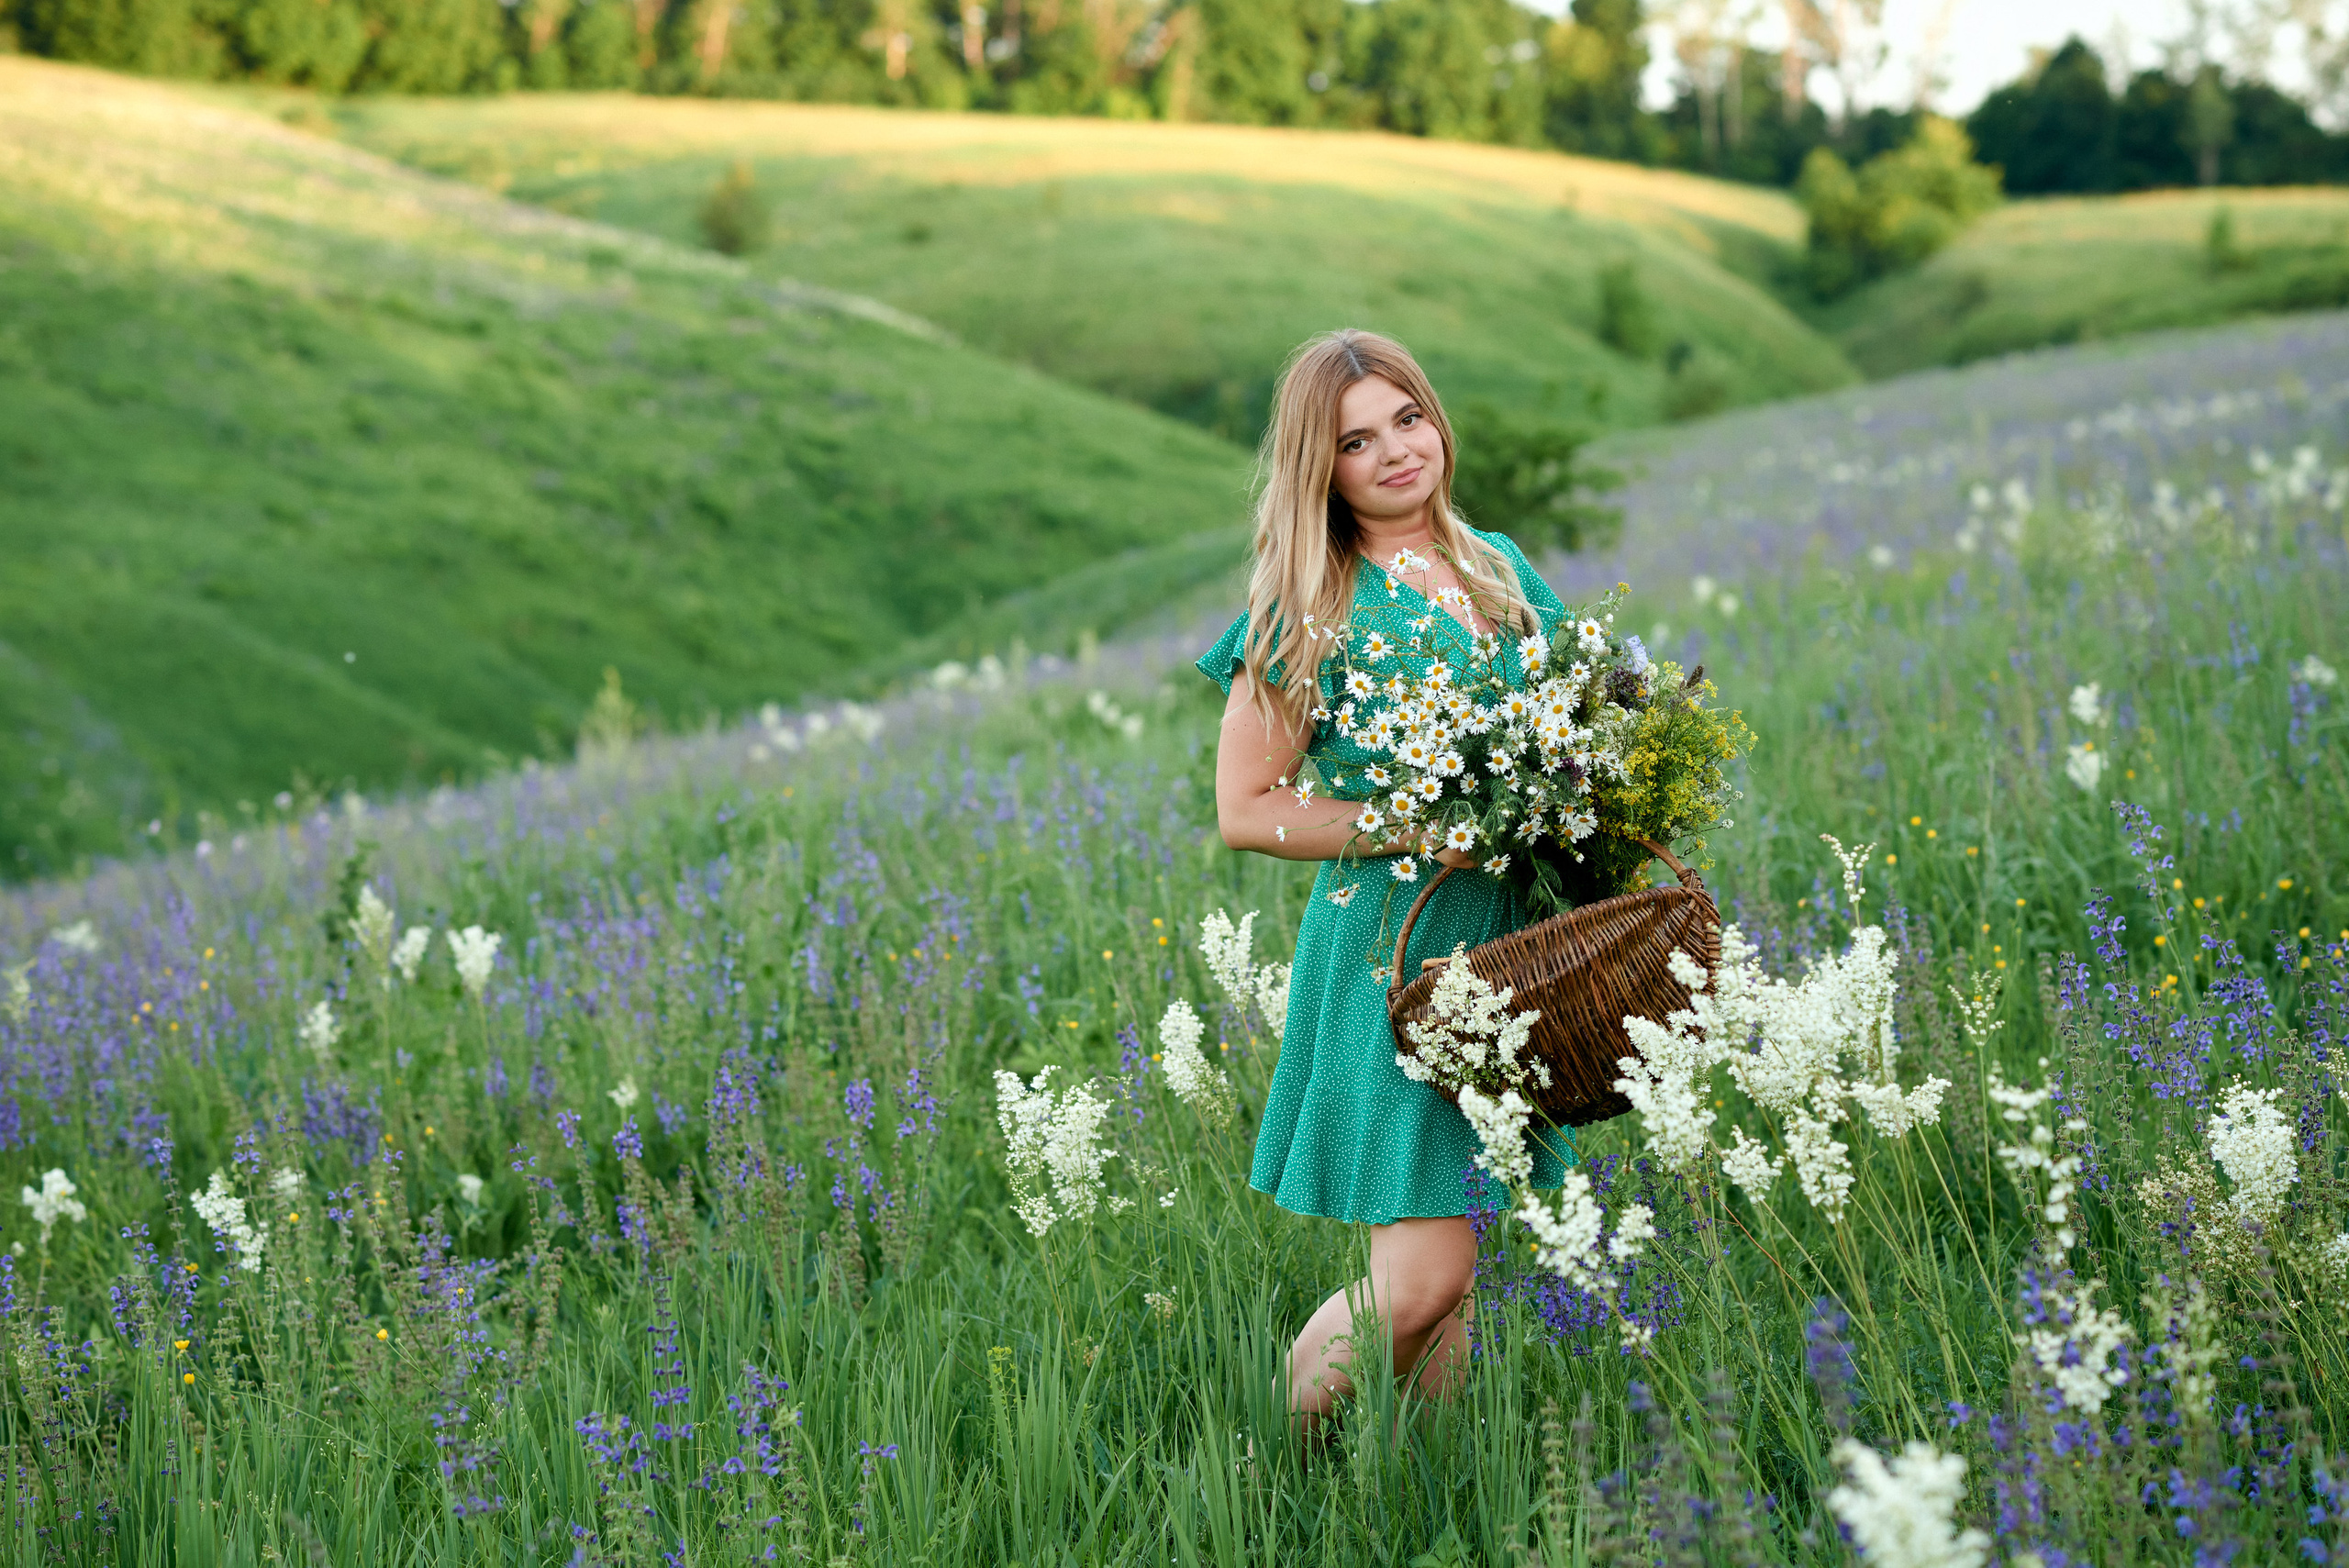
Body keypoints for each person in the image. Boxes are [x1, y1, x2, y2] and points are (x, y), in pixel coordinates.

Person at [1196, 328, 1573, 1429]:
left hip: (1504, 945)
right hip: (1391, 955)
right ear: (1325, 470)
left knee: (1452, 1262)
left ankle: (1419, 1487)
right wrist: (1412, 820)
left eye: (1407, 416)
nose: (1396, 450)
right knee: (1419, 1279)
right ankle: (1271, 1471)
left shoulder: (1500, 565)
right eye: (1358, 441)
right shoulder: (1305, 607)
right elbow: (1245, 809)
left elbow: (1568, 725)